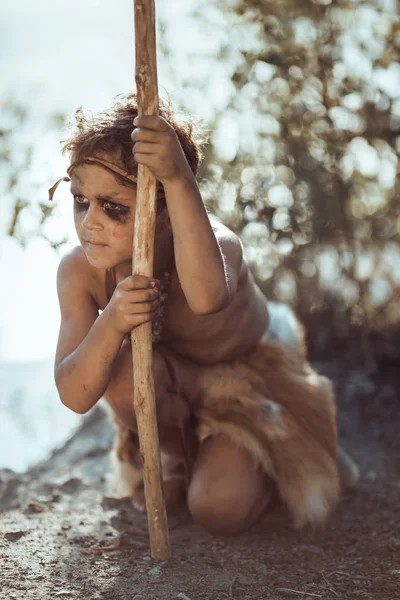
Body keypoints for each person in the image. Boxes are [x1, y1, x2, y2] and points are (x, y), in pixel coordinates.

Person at [51, 93, 358, 535]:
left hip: (248, 386)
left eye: (113, 207)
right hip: (174, 384)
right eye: (81, 200)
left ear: (163, 209)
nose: (89, 223)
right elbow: (74, 393)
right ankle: (174, 458)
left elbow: (207, 298)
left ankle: (296, 452)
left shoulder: (216, 247)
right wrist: (111, 321)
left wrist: (176, 178)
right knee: (119, 368)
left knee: (218, 509)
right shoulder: (80, 271)